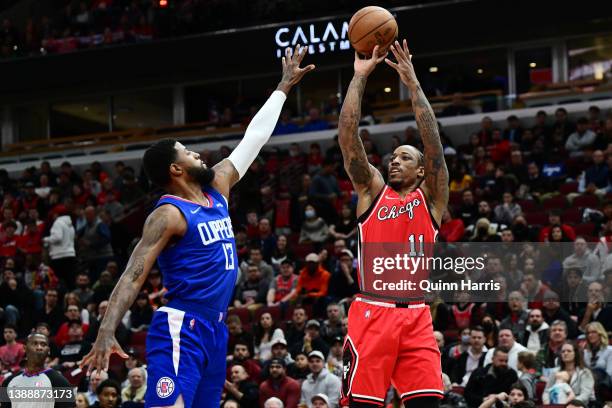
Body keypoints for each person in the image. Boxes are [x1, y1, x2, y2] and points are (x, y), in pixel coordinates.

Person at [80, 44, 314, 408]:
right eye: (188, 152)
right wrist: (106, 330)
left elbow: (253, 140)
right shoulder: (168, 214)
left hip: (215, 331)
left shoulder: (216, 188)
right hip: (181, 326)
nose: (198, 154)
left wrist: (282, 88)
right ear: (175, 169)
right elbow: (132, 275)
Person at [337, 40, 448, 407]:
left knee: (428, 402)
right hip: (373, 311)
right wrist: (358, 78)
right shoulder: (372, 192)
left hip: (417, 314)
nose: (394, 161)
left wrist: (414, 85)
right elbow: (349, 140)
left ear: (421, 170)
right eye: (392, 156)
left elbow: (433, 145)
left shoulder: (431, 198)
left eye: (405, 157)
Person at [0, 333, 73, 408]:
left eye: (43, 344)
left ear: (48, 350)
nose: (39, 347)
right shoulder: (8, 382)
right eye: (34, 344)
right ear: (24, 348)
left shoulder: (60, 382)